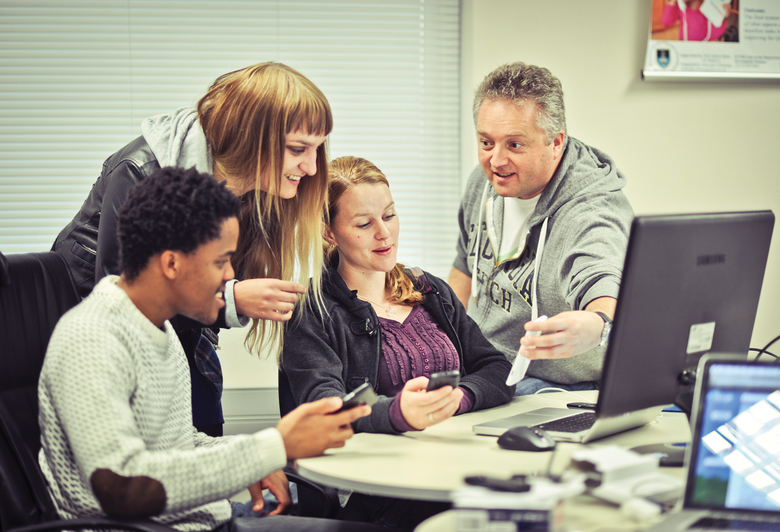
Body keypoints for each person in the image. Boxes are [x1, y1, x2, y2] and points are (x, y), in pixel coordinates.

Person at [38, 166, 385, 532]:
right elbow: (121, 490)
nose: (230, 276)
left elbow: (178, 446)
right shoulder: (92, 338)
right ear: (171, 263)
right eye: (221, 261)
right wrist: (272, 447)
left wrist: (257, 457)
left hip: (206, 521)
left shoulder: (157, 328)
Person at [51, 62, 332, 436]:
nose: (312, 167)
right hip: (107, 353)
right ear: (252, 138)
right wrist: (229, 298)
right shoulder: (140, 171)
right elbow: (124, 303)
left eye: (317, 149)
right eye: (298, 149)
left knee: (204, 440)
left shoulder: (257, 192)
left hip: (181, 341)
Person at [282, 156, 514, 529]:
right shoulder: (314, 311)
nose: (384, 234)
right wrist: (399, 414)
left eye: (389, 216)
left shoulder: (430, 290)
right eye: (363, 223)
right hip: (381, 488)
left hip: (456, 464)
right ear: (329, 232)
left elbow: (498, 368)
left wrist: (460, 397)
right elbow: (324, 410)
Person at [448, 62, 634, 396]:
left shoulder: (590, 210)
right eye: (486, 142)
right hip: (486, 368)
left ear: (556, 142)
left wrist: (598, 324)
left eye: (515, 145)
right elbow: (464, 266)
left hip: (557, 386)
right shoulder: (484, 182)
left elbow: (604, 278)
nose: (496, 161)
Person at [662, 0, 731, 42]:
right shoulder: (682, 8)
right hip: (685, 48)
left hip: (703, 49)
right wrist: (672, 1)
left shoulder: (707, 9)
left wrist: (721, 17)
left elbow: (716, 34)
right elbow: (666, 21)